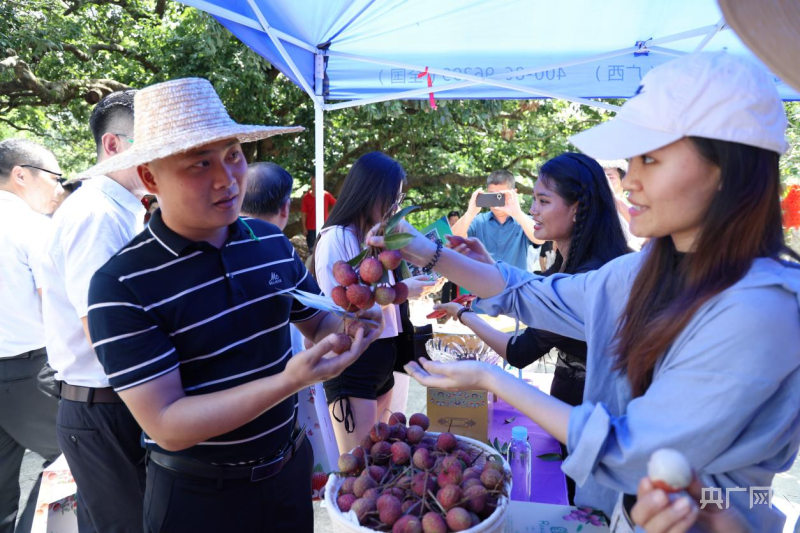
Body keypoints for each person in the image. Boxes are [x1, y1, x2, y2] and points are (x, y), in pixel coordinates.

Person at [370, 52, 800, 531]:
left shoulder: (761, 307)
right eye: (632, 158)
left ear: (726, 168)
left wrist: (492, 380)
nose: (631, 180)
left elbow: (640, 450)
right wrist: (415, 247)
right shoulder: (645, 272)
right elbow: (529, 293)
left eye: (651, 158)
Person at [80, 78, 382, 533]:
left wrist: (354, 323)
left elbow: (319, 322)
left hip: (288, 474)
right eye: (200, 163)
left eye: (233, 155)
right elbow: (167, 423)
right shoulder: (121, 284)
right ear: (149, 177)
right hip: (199, 500)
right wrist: (291, 381)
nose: (227, 179)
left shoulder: (271, 244)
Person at [40, 90, 149, 532]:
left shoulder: (119, 209)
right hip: (106, 407)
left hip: (113, 404)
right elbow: (104, 333)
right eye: (154, 140)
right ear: (113, 145)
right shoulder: (98, 215)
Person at [312, 151, 434, 454]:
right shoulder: (335, 237)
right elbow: (343, 307)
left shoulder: (376, 237)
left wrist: (405, 288)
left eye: (400, 197)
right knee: (357, 464)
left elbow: (381, 297)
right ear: (371, 192)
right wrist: (404, 289)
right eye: (392, 197)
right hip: (355, 362)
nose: (396, 206)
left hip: (383, 357)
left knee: (379, 462)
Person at [0, 138, 63, 533]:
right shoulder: (32, 227)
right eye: (55, 177)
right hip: (30, 372)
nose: (59, 188)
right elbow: (53, 306)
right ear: (21, 174)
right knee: (76, 460)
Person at [451, 169, 542, 270]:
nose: (496, 200)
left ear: (514, 193)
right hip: (482, 283)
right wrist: (470, 213)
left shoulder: (523, 221)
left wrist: (517, 213)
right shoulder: (478, 221)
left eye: (500, 195)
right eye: (492, 195)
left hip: (515, 284)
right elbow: (452, 239)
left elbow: (540, 239)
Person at [601, 160, 646, 251]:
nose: (606, 181)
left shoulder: (636, 203)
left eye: (610, 177)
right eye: (603, 177)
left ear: (623, 180)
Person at [300, 175, 336, 251]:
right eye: (312, 183)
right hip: (310, 229)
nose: (314, 185)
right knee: (312, 251)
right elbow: (303, 213)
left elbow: (336, 204)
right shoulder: (306, 197)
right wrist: (304, 228)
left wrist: (330, 215)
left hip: (323, 227)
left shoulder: (325, 195)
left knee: (324, 250)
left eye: (316, 183)